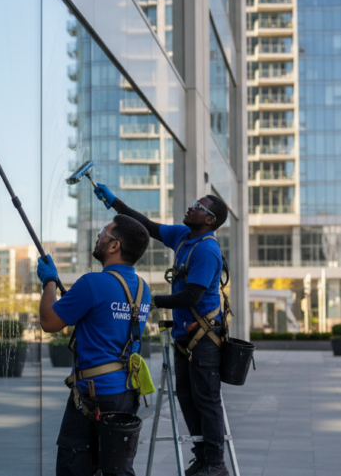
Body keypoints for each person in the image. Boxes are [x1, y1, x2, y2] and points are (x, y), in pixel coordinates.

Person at [93, 184, 230, 476]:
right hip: (185, 337)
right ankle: (202, 456)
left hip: (204, 338)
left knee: (206, 399)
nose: (191, 206)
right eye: (194, 202)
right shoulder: (183, 236)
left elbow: (191, 296)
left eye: (199, 206)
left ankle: (215, 463)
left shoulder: (206, 249)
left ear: (209, 221)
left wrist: (150, 300)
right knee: (186, 396)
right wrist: (114, 202)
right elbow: (147, 226)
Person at [38, 214, 153, 476]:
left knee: (74, 467)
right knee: (116, 468)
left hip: (94, 396)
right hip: (126, 393)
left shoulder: (93, 283)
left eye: (104, 232)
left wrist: (49, 282)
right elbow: (104, 320)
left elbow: (49, 321)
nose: (99, 236)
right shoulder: (142, 289)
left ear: (115, 246)